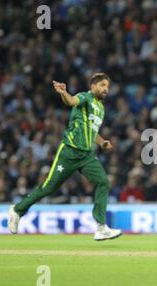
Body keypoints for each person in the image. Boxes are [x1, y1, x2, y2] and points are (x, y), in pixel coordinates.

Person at [7, 73, 122, 241]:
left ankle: (101, 227)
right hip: (70, 151)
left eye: (107, 86)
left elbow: (92, 129)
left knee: (103, 182)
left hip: (87, 155)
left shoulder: (101, 108)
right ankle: (17, 210)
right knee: (48, 187)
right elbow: (71, 101)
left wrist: (102, 142)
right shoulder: (85, 97)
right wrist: (63, 93)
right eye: (102, 85)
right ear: (93, 87)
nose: (106, 89)